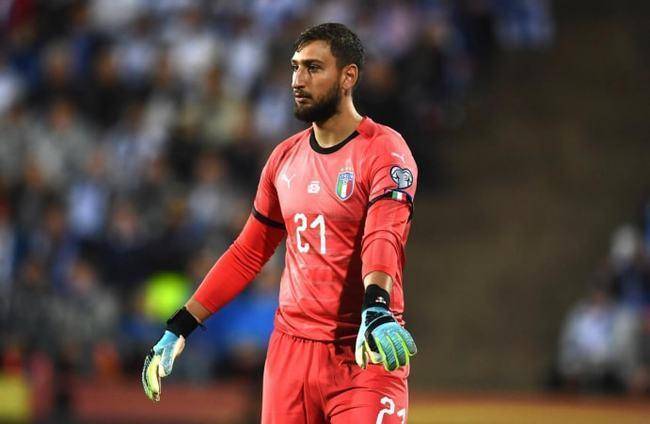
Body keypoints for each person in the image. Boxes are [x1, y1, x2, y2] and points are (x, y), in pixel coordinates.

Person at [142, 23, 418, 423]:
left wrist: (377, 306)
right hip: (290, 357)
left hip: (363, 346)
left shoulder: (384, 151)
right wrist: (180, 325)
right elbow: (247, 253)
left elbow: (383, 234)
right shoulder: (283, 159)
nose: (298, 80)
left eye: (313, 68)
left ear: (348, 77)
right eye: (295, 67)